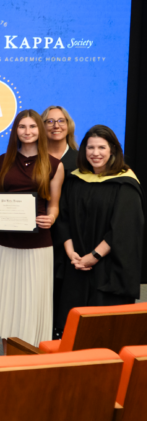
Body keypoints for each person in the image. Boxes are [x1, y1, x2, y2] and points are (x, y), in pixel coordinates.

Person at [0, 110, 64, 348]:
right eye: (22, 127)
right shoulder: (2, 160)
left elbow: (55, 204)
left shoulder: (54, 164)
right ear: (15, 131)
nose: (27, 132)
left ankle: (32, 359)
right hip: (4, 242)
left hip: (37, 244)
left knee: (33, 303)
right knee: (6, 302)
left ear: (40, 130)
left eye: (32, 127)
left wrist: (51, 217)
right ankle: (8, 356)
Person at [55, 126, 143, 333]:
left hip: (107, 266)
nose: (96, 153)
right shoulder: (75, 180)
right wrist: (71, 254)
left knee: (102, 329)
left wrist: (94, 256)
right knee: (72, 326)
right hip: (76, 264)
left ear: (112, 150)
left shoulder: (125, 183)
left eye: (102, 147)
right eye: (91, 147)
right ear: (84, 150)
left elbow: (124, 228)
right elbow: (63, 218)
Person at [42, 105, 78, 338]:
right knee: (44, 285)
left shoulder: (80, 158)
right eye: (50, 121)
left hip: (73, 232)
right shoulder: (34, 158)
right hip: (41, 229)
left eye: (61, 121)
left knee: (68, 285)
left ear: (69, 125)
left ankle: (63, 333)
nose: (56, 126)